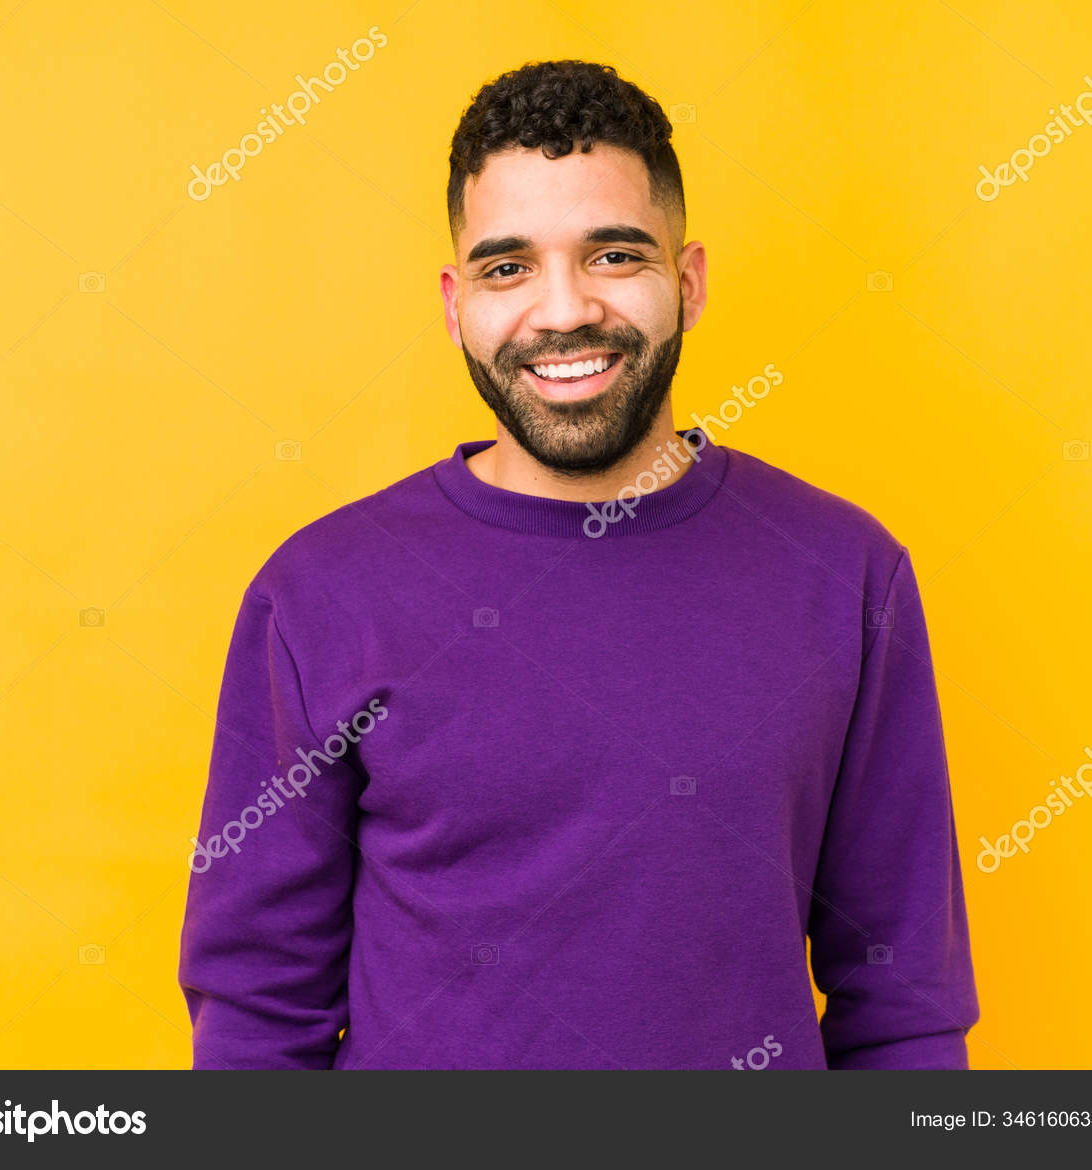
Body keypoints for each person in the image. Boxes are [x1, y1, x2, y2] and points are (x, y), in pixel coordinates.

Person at [177, 59, 979, 1070]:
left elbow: (901, 1004)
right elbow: (255, 1015)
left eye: (612, 256)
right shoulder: (321, 593)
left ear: (685, 282)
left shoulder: (845, 573)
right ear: (452, 300)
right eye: (507, 267)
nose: (561, 313)